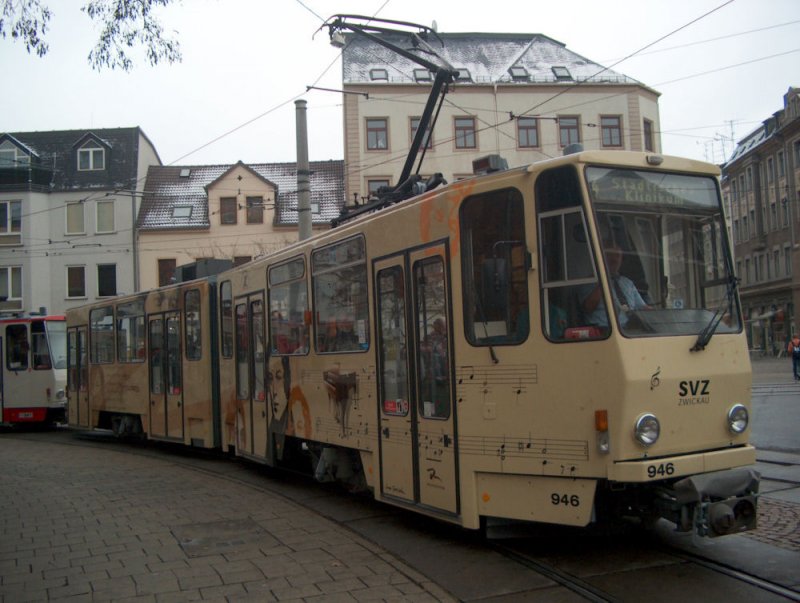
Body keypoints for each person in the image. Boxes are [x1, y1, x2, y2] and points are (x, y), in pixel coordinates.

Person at [582, 241, 650, 328]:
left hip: (630, 331)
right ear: (601, 258)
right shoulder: (590, 281)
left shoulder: (627, 282)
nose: (614, 260)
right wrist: (604, 279)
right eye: (610, 255)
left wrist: (662, 315)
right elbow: (588, 307)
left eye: (617, 256)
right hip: (604, 331)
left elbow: (643, 308)